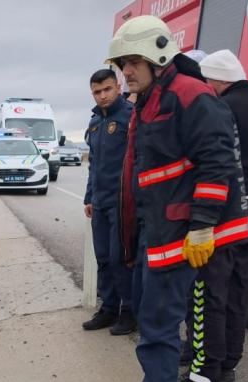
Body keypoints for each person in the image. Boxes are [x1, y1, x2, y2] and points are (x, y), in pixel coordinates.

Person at [104, 16, 248, 382]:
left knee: (158, 326)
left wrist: (203, 226)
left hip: (183, 234)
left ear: (159, 55)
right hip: (162, 230)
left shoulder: (189, 95)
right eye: (121, 64)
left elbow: (217, 162)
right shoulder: (152, 99)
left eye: (132, 62)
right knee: (156, 322)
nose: (125, 72)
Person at [176, 50, 248, 382]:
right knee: (238, 290)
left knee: (206, 291)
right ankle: (229, 364)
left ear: (217, 80)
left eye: (207, 83)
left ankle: (204, 371)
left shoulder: (222, 107)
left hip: (227, 208)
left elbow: (215, 160)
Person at [83, 69, 136, 335]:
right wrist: (89, 196)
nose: (102, 96)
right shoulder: (95, 122)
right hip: (101, 201)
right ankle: (108, 308)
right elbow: (94, 163)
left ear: (118, 87)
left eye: (107, 89)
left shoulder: (130, 116)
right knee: (103, 257)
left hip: (123, 202)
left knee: (120, 258)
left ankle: (129, 312)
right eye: (97, 91)